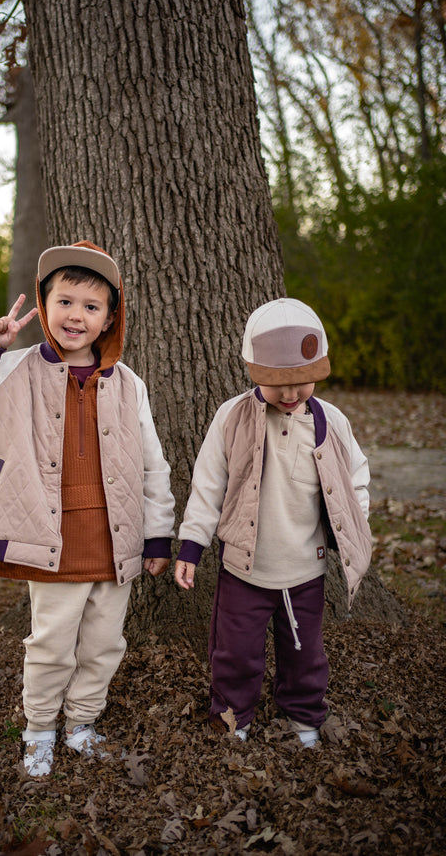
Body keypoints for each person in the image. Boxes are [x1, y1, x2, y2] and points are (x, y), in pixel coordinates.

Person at [0, 240, 175, 777]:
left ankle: (82, 724)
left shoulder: (129, 383)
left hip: (115, 537)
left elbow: (153, 465)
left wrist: (158, 536)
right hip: (49, 538)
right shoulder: (12, 368)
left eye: (91, 307)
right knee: (52, 643)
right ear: (44, 307)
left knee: (104, 643)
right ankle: (39, 729)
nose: (76, 316)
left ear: (110, 319)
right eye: (65, 301)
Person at [174, 297, 371, 747]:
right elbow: (208, 486)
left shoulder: (330, 422)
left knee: (305, 654)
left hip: (306, 568)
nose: (289, 394)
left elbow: (356, 475)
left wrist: (353, 523)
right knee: (235, 654)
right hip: (244, 568)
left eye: (301, 382)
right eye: (276, 383)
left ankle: (303, 717)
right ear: (254, 372)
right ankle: (233, 719)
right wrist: (191, 546)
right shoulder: (233, 418)